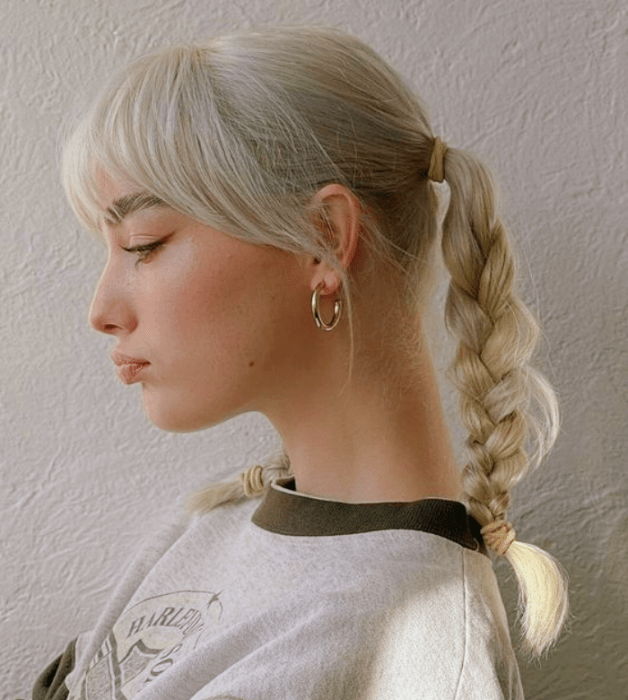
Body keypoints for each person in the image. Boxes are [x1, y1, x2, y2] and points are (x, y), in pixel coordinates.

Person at [30, 23, 568, 700]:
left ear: (323, 240)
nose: (101, 308)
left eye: (144, 244)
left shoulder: (409, 642)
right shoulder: (214, 519)